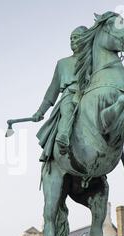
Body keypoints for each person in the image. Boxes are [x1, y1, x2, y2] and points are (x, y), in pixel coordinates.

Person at [33, 26, 87, 159]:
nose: (73, 41)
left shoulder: (94, 60)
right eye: (71, 38)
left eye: (77, 37)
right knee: (67, 109)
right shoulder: (62, 63)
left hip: (90, 93)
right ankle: (63, 136)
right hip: (70, 93)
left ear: (86, 39)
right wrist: (41, 111)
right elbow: (53, 89)